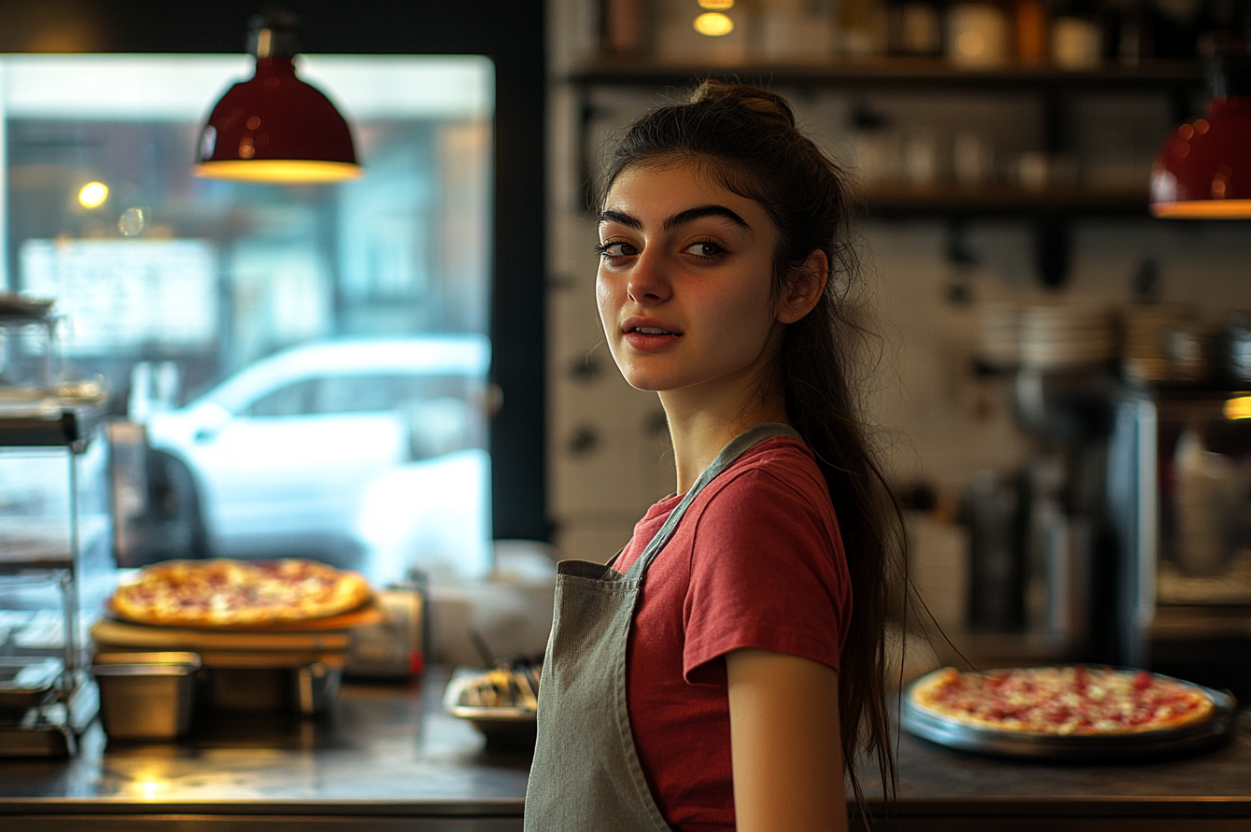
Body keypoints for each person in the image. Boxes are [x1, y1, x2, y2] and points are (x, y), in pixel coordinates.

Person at [525, 80, 906, 832]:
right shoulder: (693, 511)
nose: (642, 281)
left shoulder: (751, 511)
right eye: (619, 247)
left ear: (797, 285)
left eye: (702, 248)